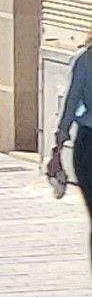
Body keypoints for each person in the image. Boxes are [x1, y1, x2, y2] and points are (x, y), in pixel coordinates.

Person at [57, 28, 92, 266]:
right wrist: (57, 145)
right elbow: (70, 101)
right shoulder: (85, 59)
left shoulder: (84, 59)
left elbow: (71, 101)